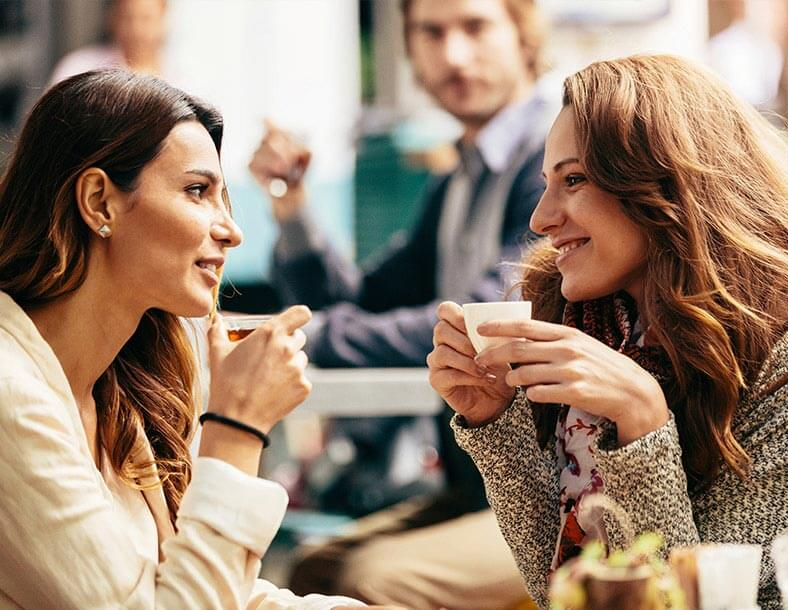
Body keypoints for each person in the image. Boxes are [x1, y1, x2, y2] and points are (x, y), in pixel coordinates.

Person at [0, 68, 403, 609]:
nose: (232, 229)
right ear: (99, 202)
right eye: (197, 191)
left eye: (223, 196)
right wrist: (237, 427)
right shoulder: (11, 392)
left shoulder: (122, 391)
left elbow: (211, 590)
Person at [428, 54, 788, 610]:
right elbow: (559, 591)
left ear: (667, 186)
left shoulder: (786, 359)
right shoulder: (594, 324)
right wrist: (494, 419)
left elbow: (707, 604)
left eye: (573, 180)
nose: (540, 218)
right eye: (546, 183)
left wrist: (643, 422)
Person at [249, 0, 558, 607]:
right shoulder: (458, 178)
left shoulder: (555, 159)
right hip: (475, 489)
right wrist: (291, 206)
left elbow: (478, 324)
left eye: (474, 27)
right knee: (312, 571)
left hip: (554, 492)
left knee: (372, 583)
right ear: (411, 51)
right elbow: (360, 298)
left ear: (522, 33)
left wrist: (307, 333)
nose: (453, 54)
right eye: (432, 33)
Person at [50, 0, 171, 84]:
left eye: (146, 18)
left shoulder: (183, 78)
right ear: (113, 18)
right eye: (128, 18)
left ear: (163, 19)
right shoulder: (78, 67)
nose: (136, 29)